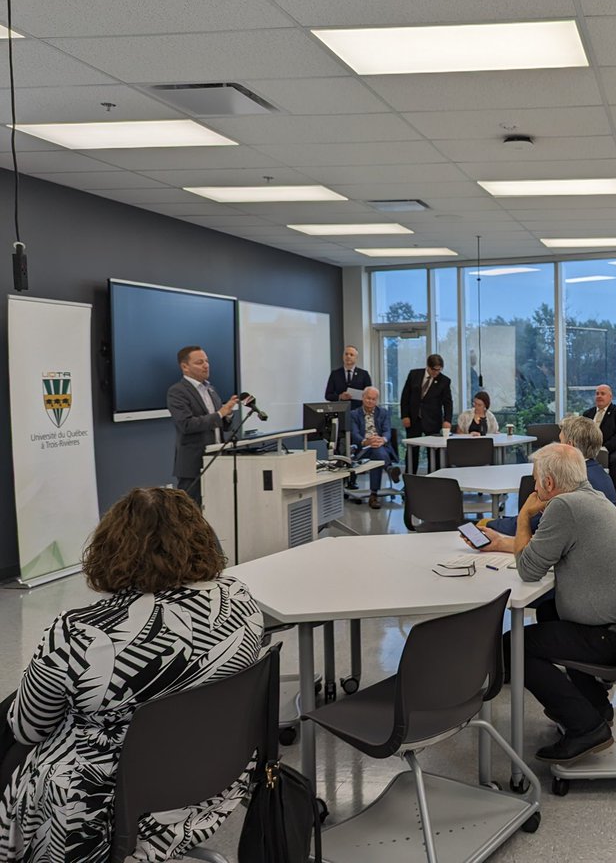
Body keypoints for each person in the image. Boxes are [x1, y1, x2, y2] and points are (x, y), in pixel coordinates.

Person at [0, 487, 263, 863]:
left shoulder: (81, 631)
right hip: (217, 775)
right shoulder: (238, 600)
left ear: (110, 548)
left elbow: (28, 729)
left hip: (102, 800)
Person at [500, 444, 616, 763]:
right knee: (548, 611)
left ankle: (585, 726)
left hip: (611, 637)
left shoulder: (564, 506)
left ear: (549, 484)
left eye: (537, 480)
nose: (535, 487)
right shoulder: (593, 498)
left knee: (513, 646)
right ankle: (594, 704)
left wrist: (525, 514)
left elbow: (528, 569)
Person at [479, 415, 616, 543]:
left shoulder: (570, 481)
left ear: (569, 446)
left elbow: (536, 522)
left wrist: (490, 523)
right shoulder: (603, 476)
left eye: (560, 441)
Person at [166, 345, 241, 503]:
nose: (206, 365)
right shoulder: (177, 391)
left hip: (217, 459)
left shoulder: (211, 389)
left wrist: (228, 414)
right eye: (199, 362)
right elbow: (186, 425)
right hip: (193, 464)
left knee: (217, 509)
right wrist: (221, 413)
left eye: (207, 361)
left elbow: (222, 425)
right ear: (185, 367)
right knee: (191, 513)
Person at [400, 353, 453, 474]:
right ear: (428, 367)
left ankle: (433, 478)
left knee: (433, 451)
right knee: (412, 451)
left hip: (432, 420)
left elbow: (448, 402)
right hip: (414, 419)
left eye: (439, 370)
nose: (436, 373)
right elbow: (405, 397)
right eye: (434, 370)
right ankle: (410, 479)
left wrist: (447, 420)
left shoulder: (444, 381)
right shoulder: (414, 375)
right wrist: (405, 415)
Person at [349, 386, 400, 509]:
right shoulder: (353, 414)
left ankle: (374, 495)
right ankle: (389, 469)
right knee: (377, 453)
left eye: (373, 399)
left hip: (380, 445)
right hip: (363, 449)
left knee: (377, 453)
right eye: (368, 398)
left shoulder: (383, 413)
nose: (370, 401)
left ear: (376, 400)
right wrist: (366, 442)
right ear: (363, 398)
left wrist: (382, 440)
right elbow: (354, 434)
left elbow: (387, 431)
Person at [582, 384, 616, 493]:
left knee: (615, 460)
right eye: (597, 394)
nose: (599, 396)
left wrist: (605, 448)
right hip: (590, 449)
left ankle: (612, 494)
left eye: (602, 394)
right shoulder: (588, 413)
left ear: (610, 397)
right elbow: (582, 433)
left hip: (613, 448)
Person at [324, 344, 372, 410]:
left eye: (351, 355)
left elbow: (370, 395)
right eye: (346, 354)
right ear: (343, 356)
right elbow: (328, 395)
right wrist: (340, 397)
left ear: (356, 358)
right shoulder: (335, 374)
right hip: (340, 410)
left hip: (358, 411)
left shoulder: (364, 374)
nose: (348, 356)